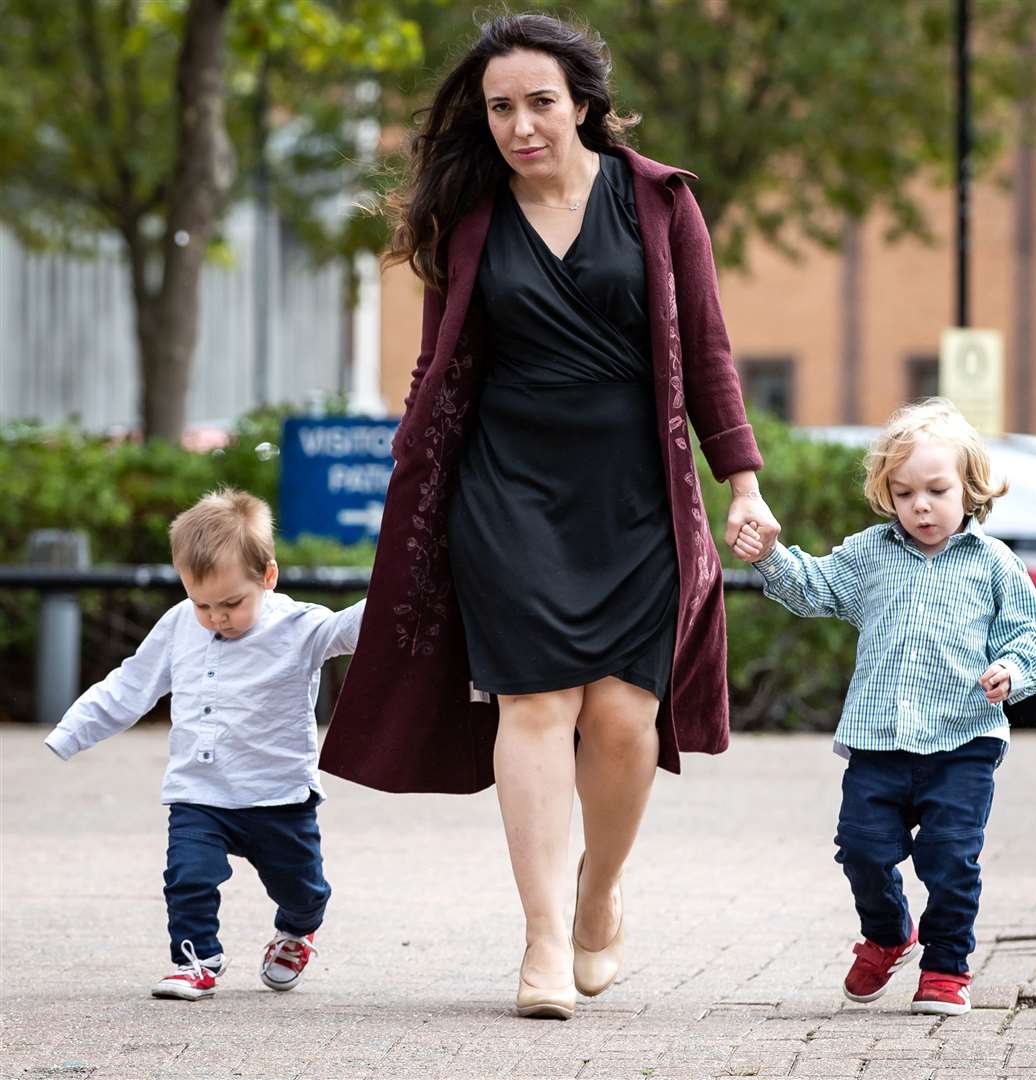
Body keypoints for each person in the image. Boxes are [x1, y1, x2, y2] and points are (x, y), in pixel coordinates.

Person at [320, 13, 779, 1020]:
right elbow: (437, 366)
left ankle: (597, 893)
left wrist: (741, 482)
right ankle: (536, 943)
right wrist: (416, 482)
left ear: (582, 103)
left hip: (635, 495)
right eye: (500, 107)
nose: (521, 124)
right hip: (507, 489)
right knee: (533, 702)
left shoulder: (658, 202)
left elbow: (706, 351)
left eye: (539, 102)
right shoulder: (470, 215)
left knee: (622, 717)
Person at [735, 398, 1036, 1016]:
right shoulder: (871, 552)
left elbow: (1032, 636)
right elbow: (816, 588)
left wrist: (1011, 671)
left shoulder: (994, 564)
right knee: (860, 846)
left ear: (970, 488)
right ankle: (887, 934)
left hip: (964, 742)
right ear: (887, 495)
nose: (922, 506)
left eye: (937, 490)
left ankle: (945, 967)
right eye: (905, 493)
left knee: (950, 857)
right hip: (879, 740)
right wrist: (771, 555)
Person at [44, 488, 365, 1001]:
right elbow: (133, 684)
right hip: (201, 791)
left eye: (232, 603)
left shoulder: (299, 627)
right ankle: (196, 961)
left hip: (277, 796)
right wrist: (72, 731)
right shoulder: (178, 625)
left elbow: (353, 630)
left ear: (268, 577)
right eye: (202, 604)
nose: (216, 617)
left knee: (303, 890)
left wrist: (400, 591)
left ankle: (296, 931)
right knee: (187, 876)